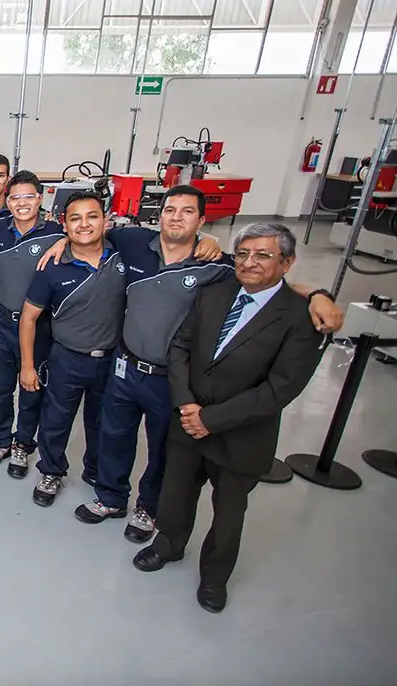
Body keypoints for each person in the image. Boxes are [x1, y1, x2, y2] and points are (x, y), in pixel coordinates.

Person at [72, 188, 343, 541]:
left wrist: (318, 293)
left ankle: (147, 508)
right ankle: (110, 496)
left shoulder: (217, 264)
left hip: (170, 376)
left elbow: (266, 277)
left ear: (202, 221)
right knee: (114, 435)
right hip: (125, 365)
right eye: (170, 209)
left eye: (187, 212)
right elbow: (83, 233)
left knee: (163, 448)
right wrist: (57, 245)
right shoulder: (135, 240)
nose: (176, 217)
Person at [133, 223, 327, 614]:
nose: (250, 263)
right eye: (243, 254)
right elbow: (180, 348)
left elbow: (279, 390)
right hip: (189, 422)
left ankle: (214, 578)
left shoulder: (300, 318)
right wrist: (188, 406)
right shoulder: (214, 293)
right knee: (177, 492)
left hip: (241, 436)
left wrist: (212, 419)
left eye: (263, 256)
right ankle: (168, 544)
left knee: (228, 514)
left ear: (287, 263)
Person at [19, 191, 126, 508]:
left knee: (104, 421)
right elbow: (29, 317)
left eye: (92, 216)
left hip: (112, 359)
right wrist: (27, 365)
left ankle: (96, 471)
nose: (84, 225)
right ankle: (51, 471)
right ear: (64, 224)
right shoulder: (52, 266)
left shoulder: (123, 256)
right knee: (56, 418)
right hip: (67, 357)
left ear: (105, 220)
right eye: (75, 218)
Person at [0, 171, 64, 476]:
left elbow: (89, 241)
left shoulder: (55, 234)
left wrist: (65, 239)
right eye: (15, 197)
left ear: (40, 199)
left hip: (40, 327)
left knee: (31, 386)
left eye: (29, 196)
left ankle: (23, 444)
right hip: (2, 321)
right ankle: (1, 439)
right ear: (7, 200)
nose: (22, 203)